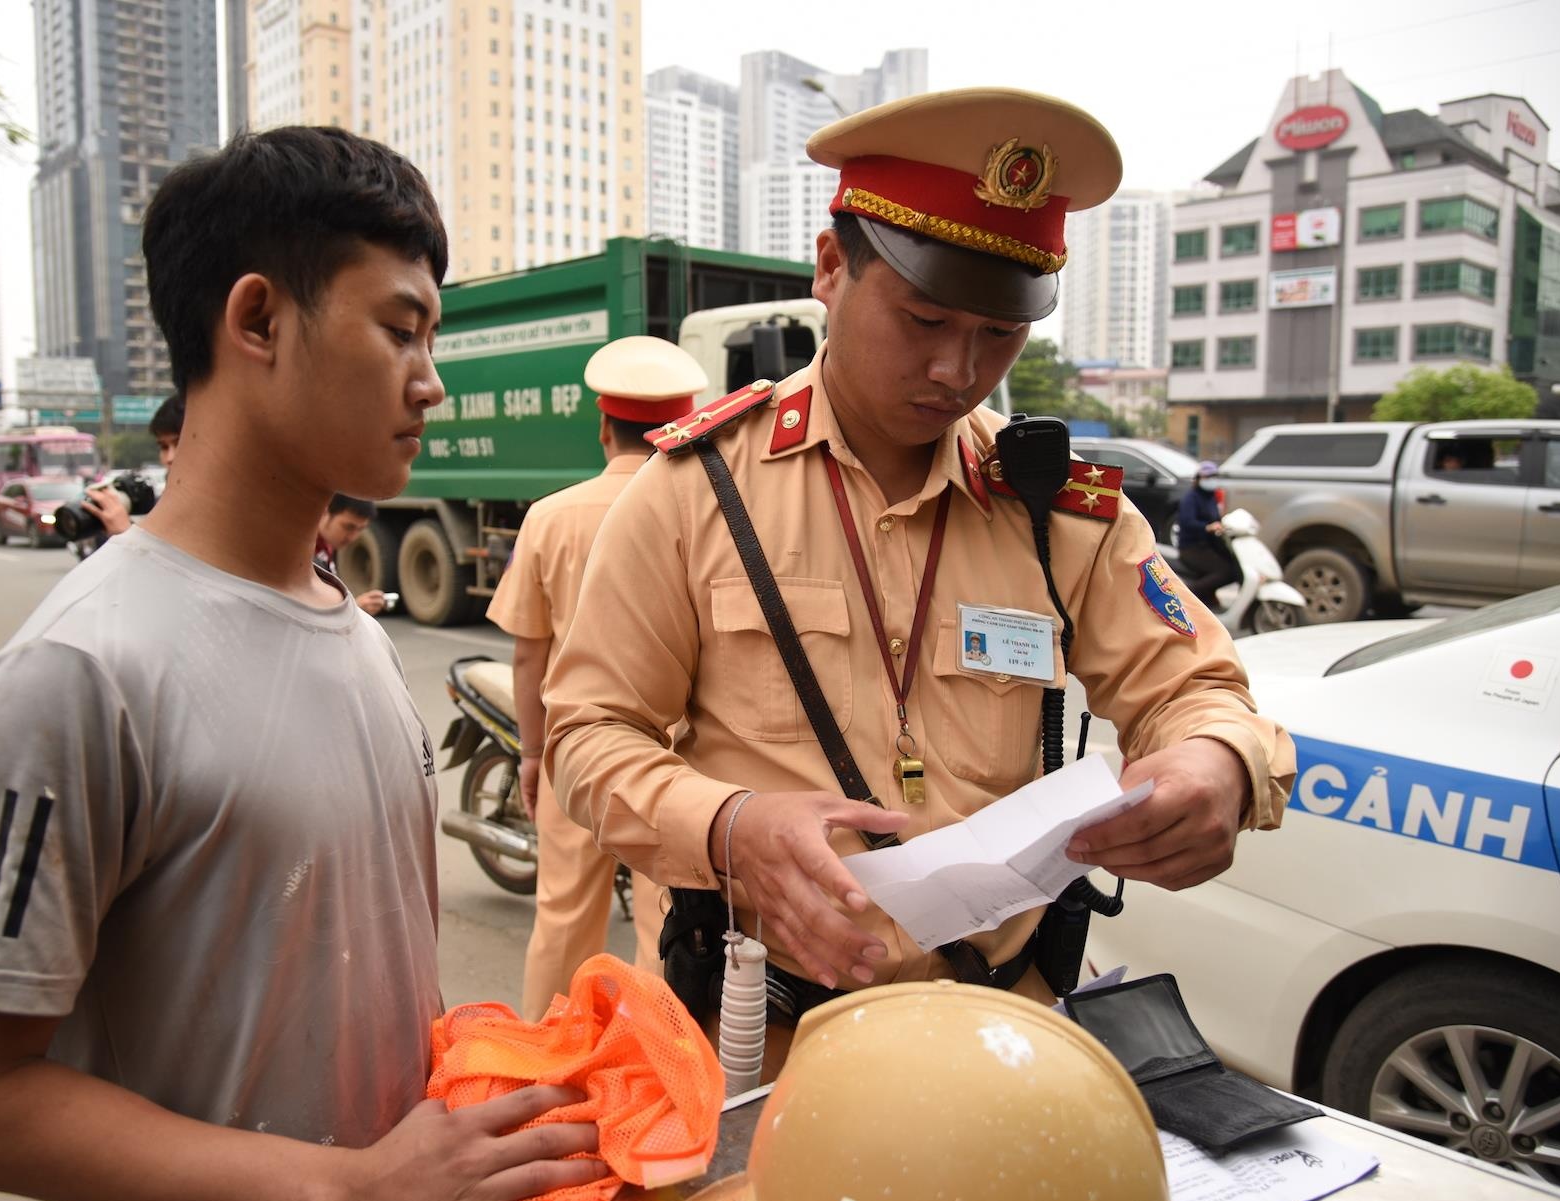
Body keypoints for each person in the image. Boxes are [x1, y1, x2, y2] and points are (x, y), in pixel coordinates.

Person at [0, 127, 604, 1201]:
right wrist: (351, 1193)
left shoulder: (353, 630)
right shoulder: (75, 672)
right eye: (401, 329)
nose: (432, 380)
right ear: (260, 320)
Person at [544, 88, 1296, 1077]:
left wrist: (1220, 767)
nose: (958, 369)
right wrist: (727, 826)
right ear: (830, 267)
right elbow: (587, 736)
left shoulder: (1055, 508)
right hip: (760, 1046)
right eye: (925, 317)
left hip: (1000, 1037)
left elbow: (1199, 689)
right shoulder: (697, 490)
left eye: (999, 335)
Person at [486, 335, 702, 1019]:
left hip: (573, 748)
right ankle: (648, 1067)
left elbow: (529, 655)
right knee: (661, 922)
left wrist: (531, 751)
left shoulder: (549, 517)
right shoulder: (707, 512)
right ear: (683, 422)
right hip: (676, 760)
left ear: (604, 427)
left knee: (562, 913)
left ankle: (548, 1067)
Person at [83, 395, 186, 538]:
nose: (170, 458)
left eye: (180, 444)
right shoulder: (161, 503)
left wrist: (125, 533)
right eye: (164, 447)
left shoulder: (219, 511)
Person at [1175, 460, 1237, 609]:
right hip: (1192, 547)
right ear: (1199, 478)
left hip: (1208, 545)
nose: (1212, 480)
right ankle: (1189, 594)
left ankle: (1208, 597)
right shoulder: (1191, 498)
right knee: (1224, 571)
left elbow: (1216, 517)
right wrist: (1207, 527)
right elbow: (1186, 521)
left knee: (1232, 564)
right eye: (1208, 477)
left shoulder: (1212, 497)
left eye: (1214, 476)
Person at [315, 493, 388, 614]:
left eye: (360, 529)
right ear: (325, 512)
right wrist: (355, 608)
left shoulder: (327, 547)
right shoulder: (306, 551)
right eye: (348, 527)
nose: (353, 537)